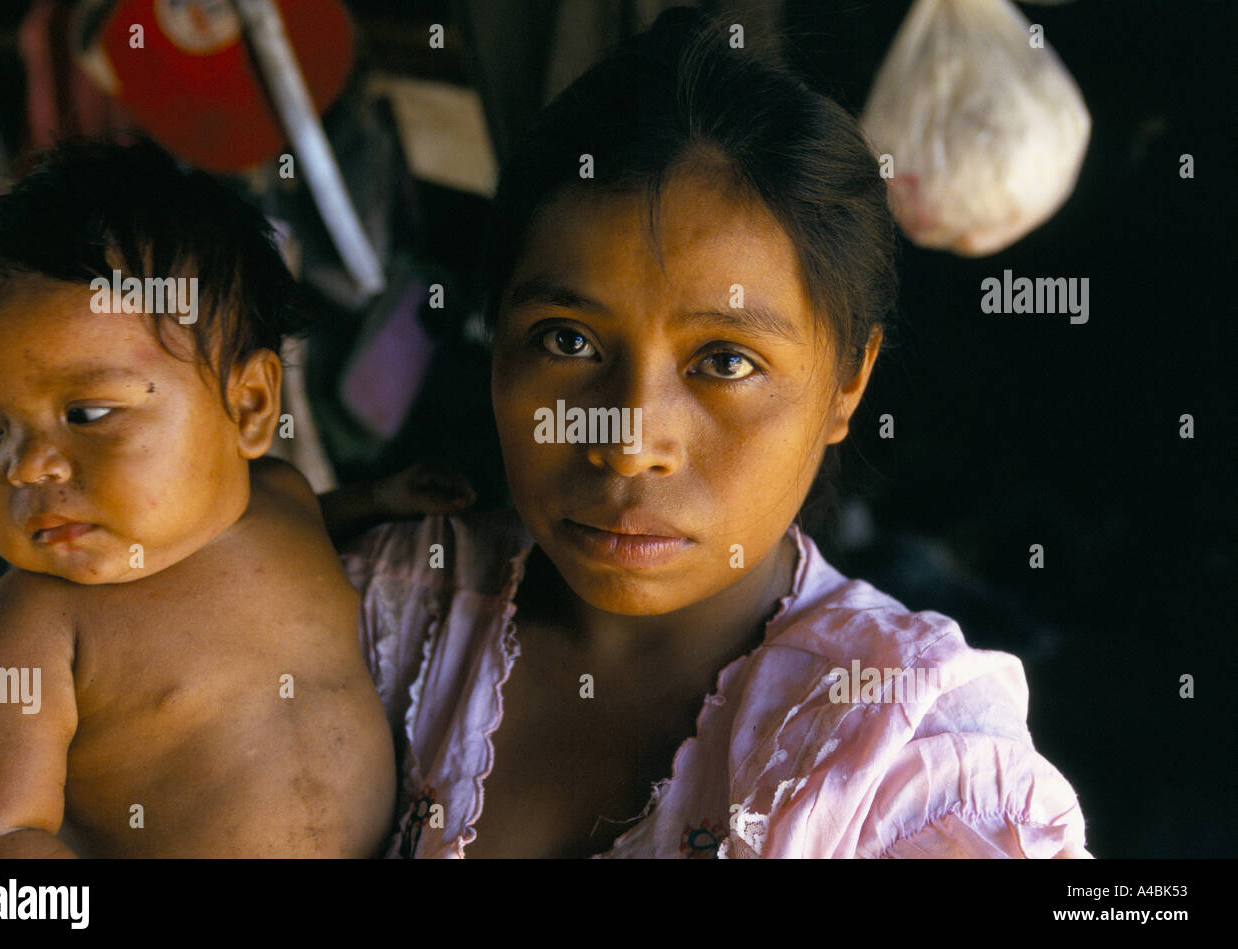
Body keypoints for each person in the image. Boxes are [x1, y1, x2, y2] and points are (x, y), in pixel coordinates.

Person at [339, 7, 1092, 858]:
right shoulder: (382, 610)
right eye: (566, 340)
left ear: (849, 382)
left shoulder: (897, 754)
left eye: (726, 361)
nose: (628, 441)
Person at [0, 140, 399, 857]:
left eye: (87, 413)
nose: (26, 468)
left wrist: (380, 498)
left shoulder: (282, 500)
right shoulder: (28, 631)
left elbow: (319, 529)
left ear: (249, 407)